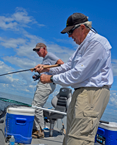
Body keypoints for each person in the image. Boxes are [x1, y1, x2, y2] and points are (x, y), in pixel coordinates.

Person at [33, 13, 113, 145]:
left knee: (79, 139)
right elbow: (68, 66)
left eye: (70, 32)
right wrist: (47, 69)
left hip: (92, 94)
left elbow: (78, 73)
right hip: (80, 93)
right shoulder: (82, 46)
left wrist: (51, 78)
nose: (69, 36)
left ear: (82, 27)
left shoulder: (97, 43)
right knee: (70, 136)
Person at [31, 43, 64, 139]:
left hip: (47, 84)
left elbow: (62, 65)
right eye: (35, 50)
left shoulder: (50, 56)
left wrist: (46, 68)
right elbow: (47, 71)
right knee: (36, 105)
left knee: (36, 106)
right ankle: (37, 129)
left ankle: (39, 130)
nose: (37, 52)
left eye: (38, 50)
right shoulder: (45, 60)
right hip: (44, 83)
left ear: (44, 48)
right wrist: (38, 75)